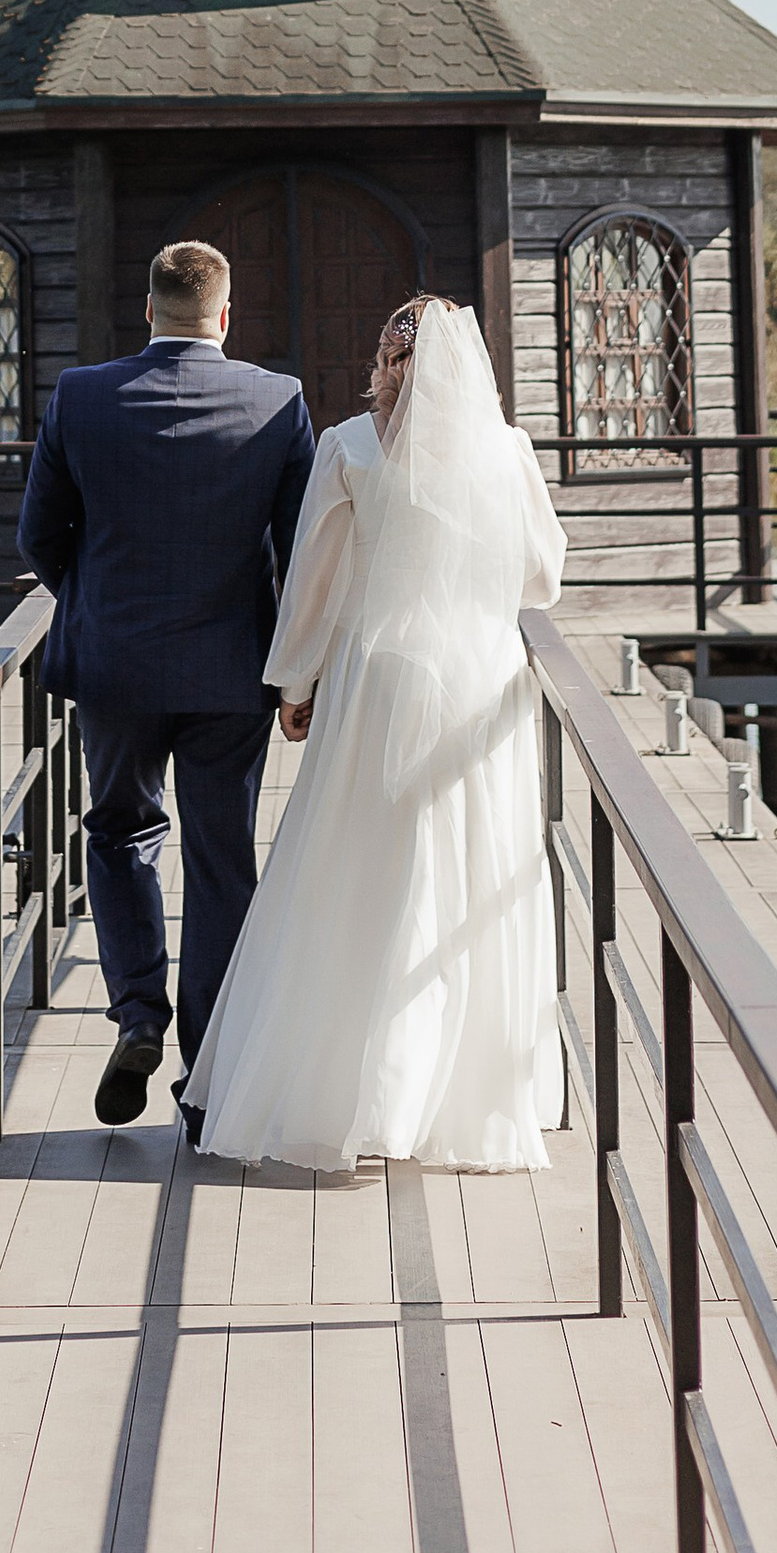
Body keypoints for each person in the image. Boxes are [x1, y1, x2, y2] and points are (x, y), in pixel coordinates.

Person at [185, 294, 568, 1173]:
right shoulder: (506, 453)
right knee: (471, 874)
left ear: (390, 365)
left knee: (356, 870)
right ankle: (457, 1095)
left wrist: (293, 681)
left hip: (379, 681)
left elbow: (311, 584)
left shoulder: (350, 446)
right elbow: (542, 581)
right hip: (481, 682)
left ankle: (357, 1090)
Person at [16, 236, 315, 1127]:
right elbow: (301, 553)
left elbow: (40, 537)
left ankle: (137, 1017)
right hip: (233, 672)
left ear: (147, 311)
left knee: (117, 834)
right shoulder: (276, 401)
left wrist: (99, 603)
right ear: (226, 316)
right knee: (222, 861)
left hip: (115, 670)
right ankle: (207, 1072)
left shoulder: (82, 397)